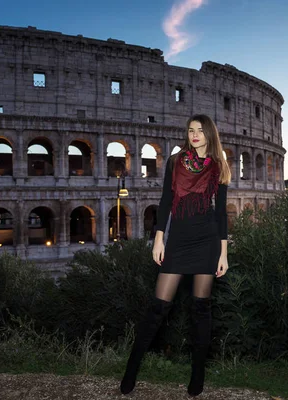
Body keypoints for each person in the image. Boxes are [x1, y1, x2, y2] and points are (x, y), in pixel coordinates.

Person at [120, 114, 231, 396]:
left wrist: (223, 253)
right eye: (190, 130)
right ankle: (131, 371)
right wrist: (158, 239)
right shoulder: (175, 161)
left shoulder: (220, 166)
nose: (194, 135)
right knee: (158, 308)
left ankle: (198, 376)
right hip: (178, 239)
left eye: (200, 130)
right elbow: (166, 201)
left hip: (207, 240)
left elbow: (220, 213)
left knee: (200, 309)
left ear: (209, 134)